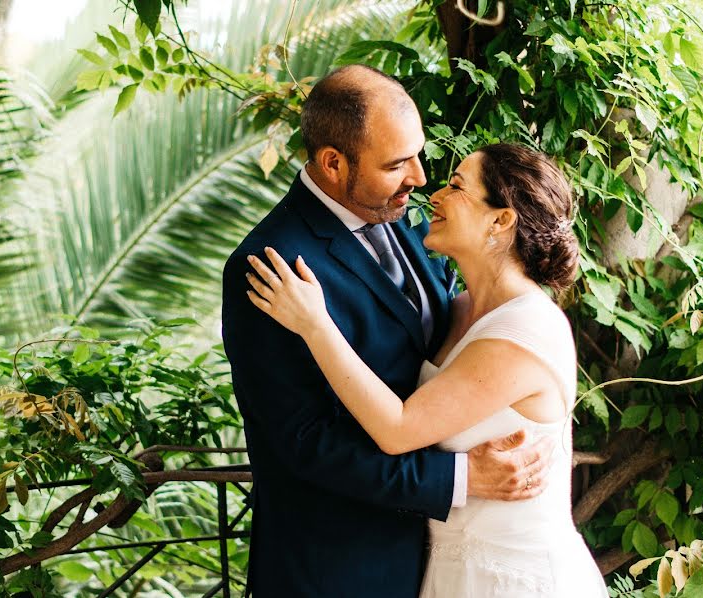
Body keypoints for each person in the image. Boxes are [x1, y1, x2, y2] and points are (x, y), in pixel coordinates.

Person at [221, 64, 556, 598]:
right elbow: (302, 442)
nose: (420, 178)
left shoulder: (401, 215)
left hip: (436, 559)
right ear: (333, 163)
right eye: (398, 163)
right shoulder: (271, 267)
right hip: (333, 567)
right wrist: (459, 480)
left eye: (418, 155)